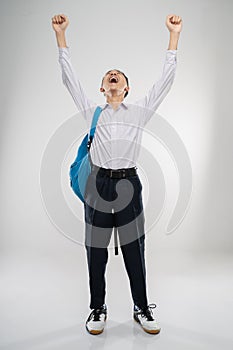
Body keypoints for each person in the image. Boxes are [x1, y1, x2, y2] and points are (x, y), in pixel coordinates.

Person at [51, 13, 182, 335]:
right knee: (96, 251)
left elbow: (166, 80)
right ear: (102, 87)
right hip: (97, 186)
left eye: (118, 76)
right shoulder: (91, 111)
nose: (113, 76)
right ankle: (97, 308)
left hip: (129, 184)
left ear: (125, 88)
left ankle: (141, 307)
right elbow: (69, 79)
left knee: (134, 249)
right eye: (108, 75)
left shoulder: (140, 111)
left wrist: (173, 36)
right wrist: (61, 36)